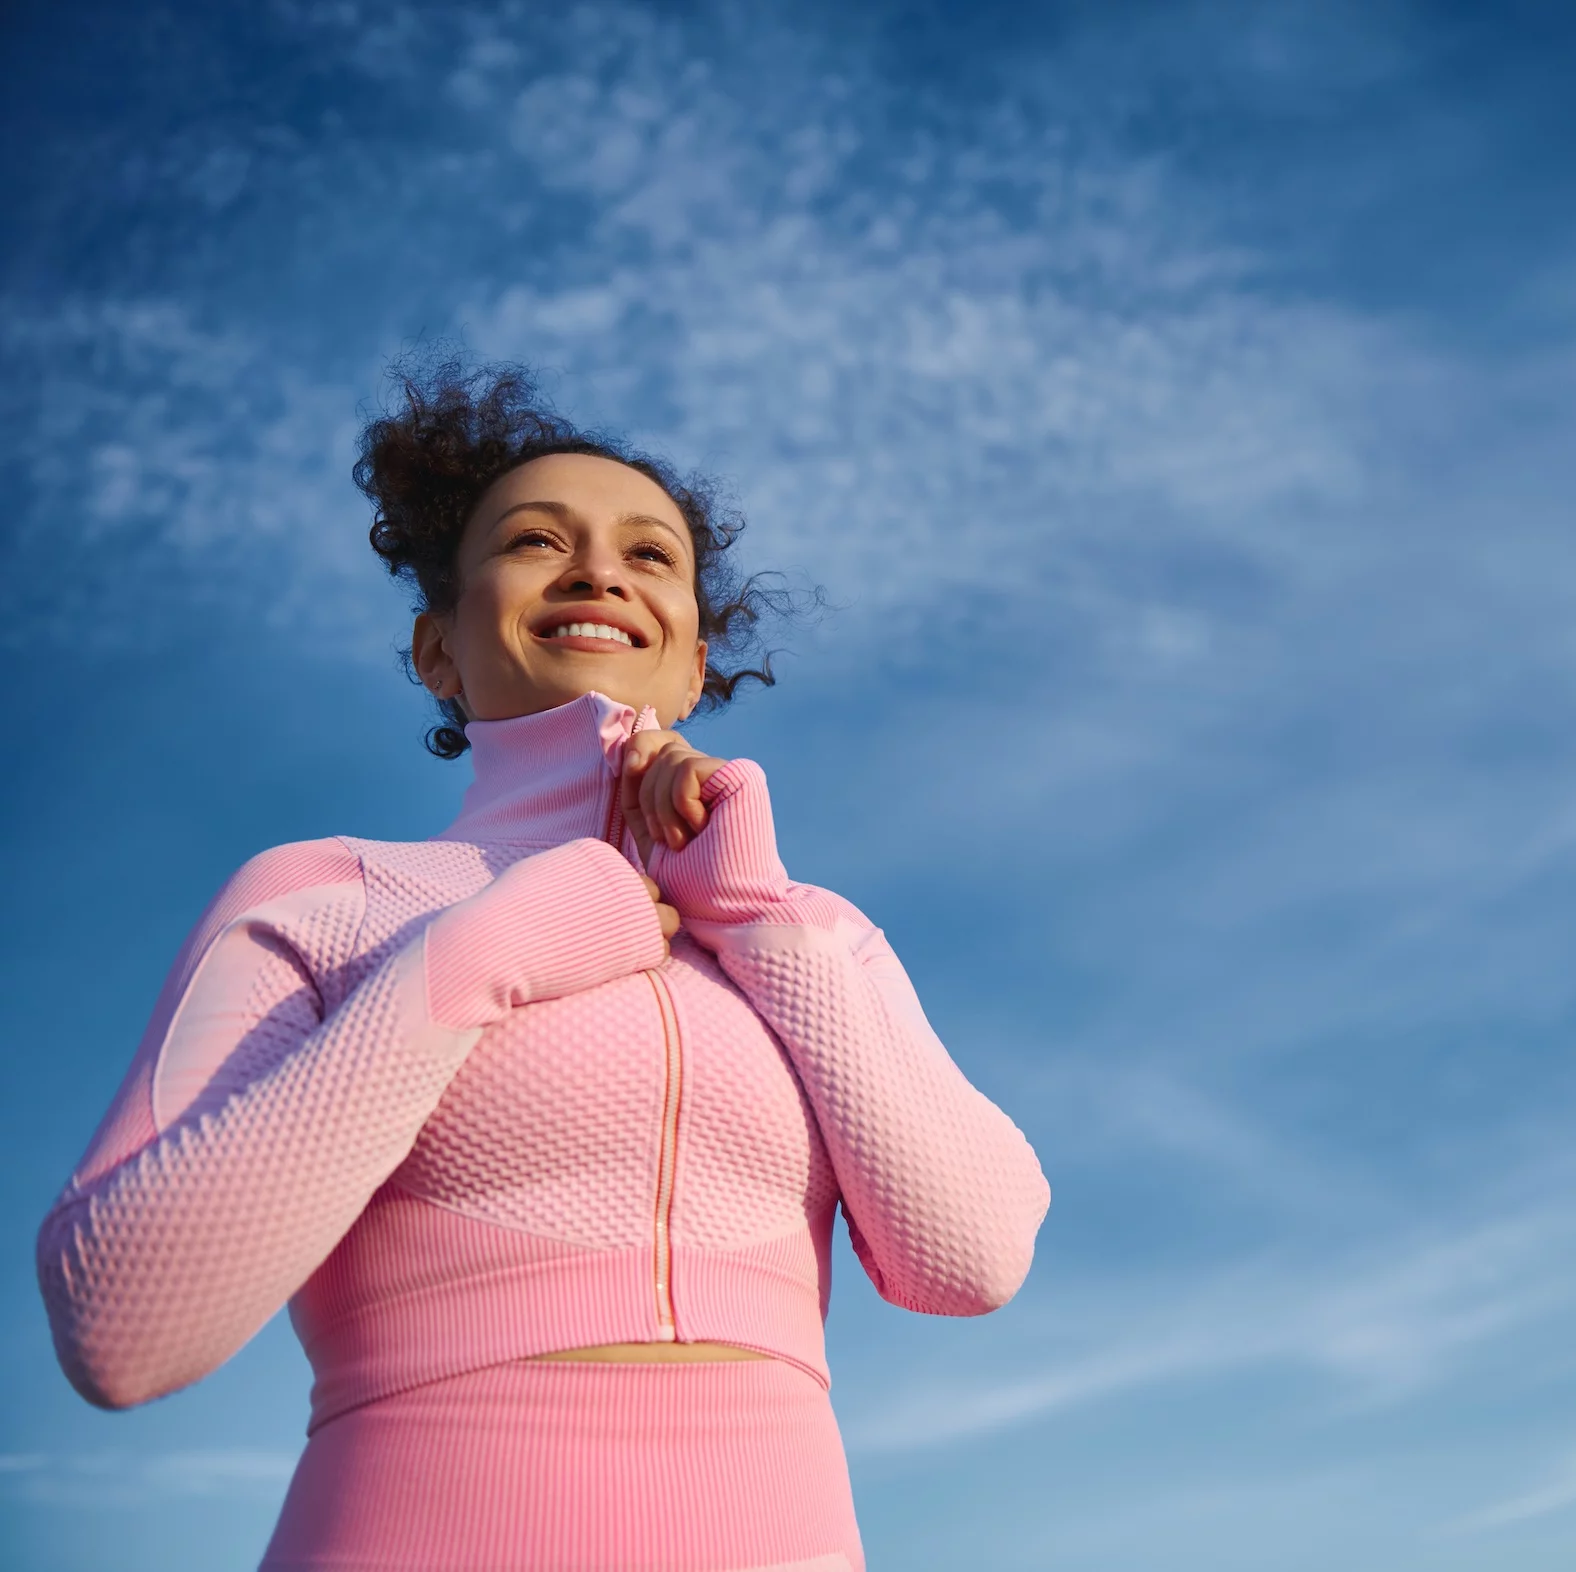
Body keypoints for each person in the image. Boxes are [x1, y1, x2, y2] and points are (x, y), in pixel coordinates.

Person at [34, 362, 1050, 1571]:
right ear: (438, 651)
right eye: (533, 540)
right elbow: (121, 1322)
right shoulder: (329, 898)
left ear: (693, 661)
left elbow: (973, 1258)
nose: (598, 572)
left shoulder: (811, 932)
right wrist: (485, 954)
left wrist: (762, 918)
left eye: (649, 556)